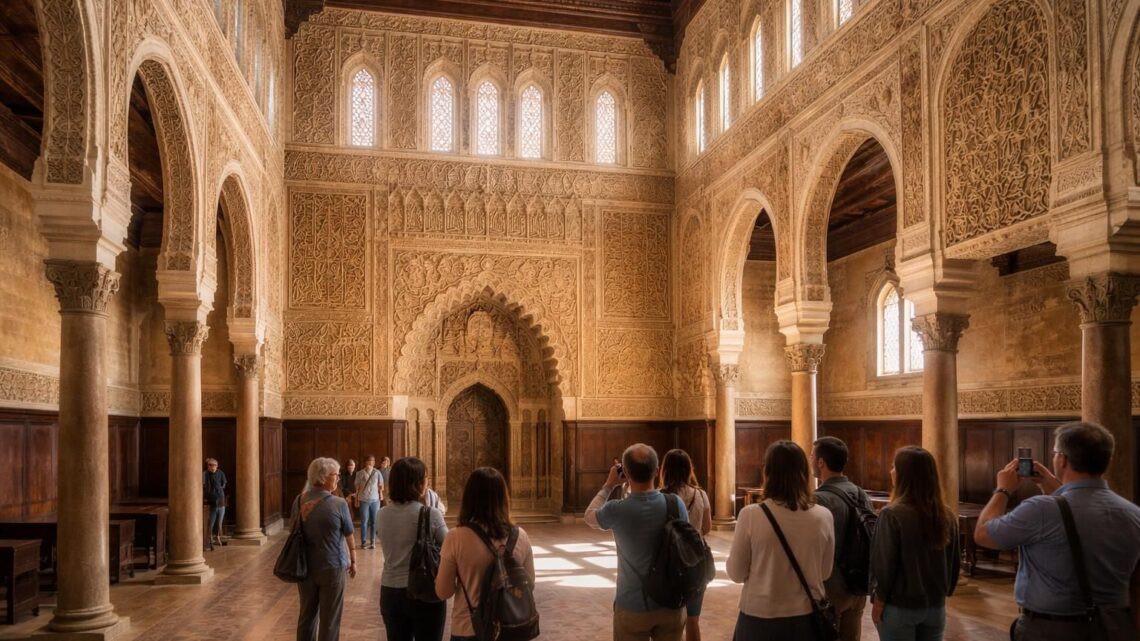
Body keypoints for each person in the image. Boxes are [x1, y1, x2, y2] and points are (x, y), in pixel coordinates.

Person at [975, 421, 1140, 641]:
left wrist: (1003, 489)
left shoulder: (1041, 509)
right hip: (1113, 628)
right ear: (1108, 461)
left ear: (1061, 459)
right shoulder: (1132, 512)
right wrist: (1052, 484)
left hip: (1051, 628)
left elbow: (984, 535)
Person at [727, 440, 834, 640]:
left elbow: (736, 573)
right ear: (804, 473)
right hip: (806, 617)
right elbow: (825, 572)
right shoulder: (824, 516)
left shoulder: (751, 515)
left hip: (759, 616)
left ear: (767, 472)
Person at [586, 444, 688, 641]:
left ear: (626, 473)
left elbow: (589, 516)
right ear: (657, 471)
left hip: (632, 604)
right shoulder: (676, 504)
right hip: (671, 602)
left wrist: (609, 485)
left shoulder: (617, 510)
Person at [869, 446, 959, 641]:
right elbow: (953, 562)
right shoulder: (947, 514)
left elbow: (884, 564)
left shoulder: (892, 514)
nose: (891, 471)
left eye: (894, 467)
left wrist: (879, 601)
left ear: (904, 474)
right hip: (935, 606)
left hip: (900, 606)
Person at [436, 467, 535, 641]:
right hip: (509, 628)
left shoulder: (456, 537)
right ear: (504, 497)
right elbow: (529, 583)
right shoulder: (521, 536)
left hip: (469, 628)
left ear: (468, 498)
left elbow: (443, 591)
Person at [377, 457, 448, 641]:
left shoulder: (381, 514)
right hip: (423, 590)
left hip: (390, 590)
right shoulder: (431, 514)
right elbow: (448, 546)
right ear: (417, 483)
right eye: (425, 478)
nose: (427, 482)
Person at [811, 436, 873, 641]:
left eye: (812, 456)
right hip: (858, 584)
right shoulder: (860, 493)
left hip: (831, 587)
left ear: (821, 462)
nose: (810, 460)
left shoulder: (819, 499)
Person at [294, 457, 356, 641]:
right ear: (323, 478)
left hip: (305, 566)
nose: (338, 478)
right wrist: (353, 559)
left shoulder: (299, 501)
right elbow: (349, 533)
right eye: (335, 475)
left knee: (306, 616)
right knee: (330, 619)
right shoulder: (339, 503)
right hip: (332, 566)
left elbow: (293, 530)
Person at [659, 449, 712, 641]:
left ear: (665, 470)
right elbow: (706, 528)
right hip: (696, 563)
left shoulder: (660, 497)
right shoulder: (701, 495)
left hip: (670, 565)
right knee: (693, 619)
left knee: (668, 623)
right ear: (688, 469)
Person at [355, 455, 383, 549]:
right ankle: (363, 542)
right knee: (364, 521)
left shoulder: (377, 472)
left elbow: (381, 485)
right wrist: (361, 482)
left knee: (374, 521)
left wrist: (380, 488)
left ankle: (373, 542)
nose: (372, 462)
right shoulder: (359, 473)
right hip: (364, 499)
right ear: (365, 462)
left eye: (373, 461)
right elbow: (356, 485)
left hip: (375, 499)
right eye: (370, 461)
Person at [204, 458, 227, 549]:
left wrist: (219, 490)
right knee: (211, 522)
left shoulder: (220, 473)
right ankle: (210, 538)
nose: (212, 467)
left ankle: (217, 537)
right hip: (212, 501)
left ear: (217, 466)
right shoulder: (206, 474)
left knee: (219, 522)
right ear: (208, 466)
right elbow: (206, 486)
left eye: (214, 465)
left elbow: (224, 483)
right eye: (210, 465)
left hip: (221, 499)